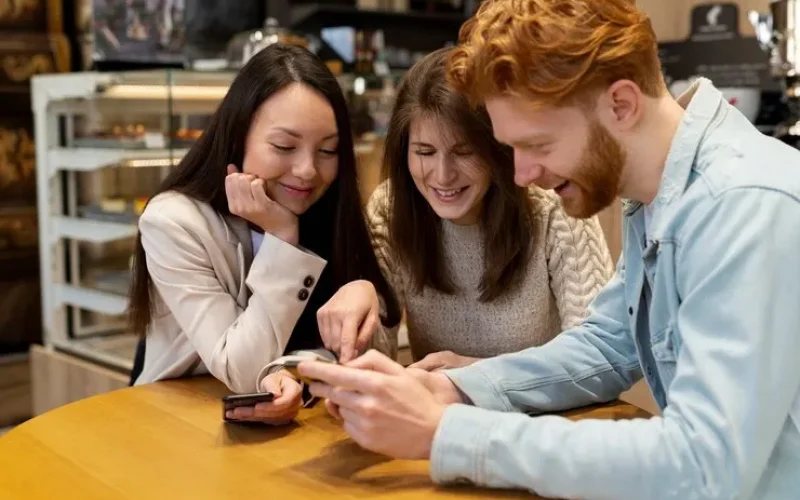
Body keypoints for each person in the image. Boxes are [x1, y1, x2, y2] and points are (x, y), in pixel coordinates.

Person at [299, 0, 800, 498]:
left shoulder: (742, 206)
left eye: (538, 145)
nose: (521, 174)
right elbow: (606, 345)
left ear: (621, 104)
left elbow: (702, 465)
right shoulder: (662, 191)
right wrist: (451, 389)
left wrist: (446, 433)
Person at [128, 44, 401, 424]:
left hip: (288, 438)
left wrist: (298, 372)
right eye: (284, 146)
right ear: (239, 136)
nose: (307, 170)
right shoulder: (174, 223)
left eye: (328, 150)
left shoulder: (329, 208)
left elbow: (376, 358)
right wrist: (283, 238)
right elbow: (242, 370)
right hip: (178, 425)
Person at [346, 48, 613, 369]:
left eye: (463, 152)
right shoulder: (391, 208)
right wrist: (356, 290)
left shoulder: (553, 204)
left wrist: (476, 376)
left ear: (495, 148)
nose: (443, 175)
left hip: (544, 416)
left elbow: (600, 358)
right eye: (425, 152)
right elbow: (370, 364)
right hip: (439, 417)